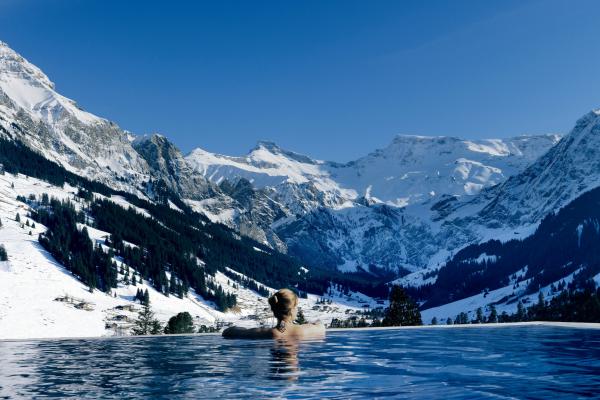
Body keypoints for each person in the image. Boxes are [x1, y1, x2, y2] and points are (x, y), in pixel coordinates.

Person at [222, 288, 325, 339]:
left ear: (274, 309)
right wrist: (314, 322)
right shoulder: (304, 331)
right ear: (293, 309)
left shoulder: (269, 333)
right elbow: (321, 326)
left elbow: (227, 332)